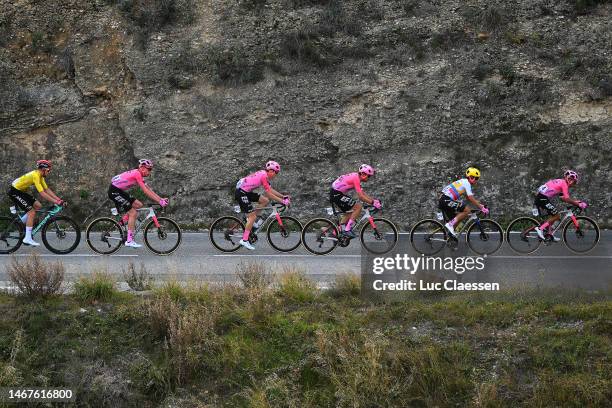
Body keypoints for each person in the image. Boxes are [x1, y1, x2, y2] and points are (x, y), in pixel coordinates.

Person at [108, 159, 168, 248]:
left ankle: (122, 222)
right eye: (149, 169)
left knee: (139, 205)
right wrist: (159, 201)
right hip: (114, 192)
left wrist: (161, 199)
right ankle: (129, 240)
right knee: (133, 213)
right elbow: (145, 192)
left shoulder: (138, 174)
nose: (150, 172)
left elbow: (149, 190)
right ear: (143, 168)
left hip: (118, 191)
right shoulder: (137, 174)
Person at [8, 160, 65, 246]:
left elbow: (46, 189)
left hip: (20, 191)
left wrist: (59, 200)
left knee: (38, 206)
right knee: (32, 212)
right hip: (15, 191)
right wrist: (56, 201)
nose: (49, 172)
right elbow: (42, 193)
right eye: (48, 170)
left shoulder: (40, 176)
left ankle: (21, 223)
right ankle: (27, 238)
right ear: (43, 169)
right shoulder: (36, 175)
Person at [235, 161, 290, 250]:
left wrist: (283, 196)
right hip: (241, 192)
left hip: (245, 191)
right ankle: (244, 240)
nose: (276, 175)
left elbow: (270, 190)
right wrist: (282, 201)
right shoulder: (264, 176)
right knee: (252, 216)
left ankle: (251, 221)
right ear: (271, 171)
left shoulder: (264, 175)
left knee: (265, 200)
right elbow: (269, 193)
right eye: (276, 173)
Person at [329, 164, 381, 238]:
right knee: (358, 207)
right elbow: (361, 197)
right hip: (336, 194)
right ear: (363, 174)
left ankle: (335, 232)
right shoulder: (356, 178)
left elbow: (362, 193)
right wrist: (373, 203)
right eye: (369, 176)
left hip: (337, 193)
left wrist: (373, 201)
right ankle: (347, 230)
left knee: (350, 212)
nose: (369, 178)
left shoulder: (356, 177)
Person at [534, 170, 587, 241]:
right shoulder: (564, 184)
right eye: (573, 181)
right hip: (542, 198)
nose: (573, 184)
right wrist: (578, 204)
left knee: (554, 215)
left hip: (541, 197)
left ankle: (549, 235)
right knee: (557, 216)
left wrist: (574, 202)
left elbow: (562, 198)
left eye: (574, 182)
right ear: (569, 179)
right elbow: (567, 199)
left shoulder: (561, 181)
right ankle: (540, 228)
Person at [439, 167, 489, 237]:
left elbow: (468, 198)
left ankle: (450, 237)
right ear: (471, 177)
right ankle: (450, 225)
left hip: (444, 199)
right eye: (476, 178)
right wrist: (481, 207)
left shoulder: (464, 182)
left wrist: (480, 205)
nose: (477, 181)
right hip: (445, 200)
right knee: (467, 211)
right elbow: (470, 198)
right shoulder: (467, 183)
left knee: (458, 218)